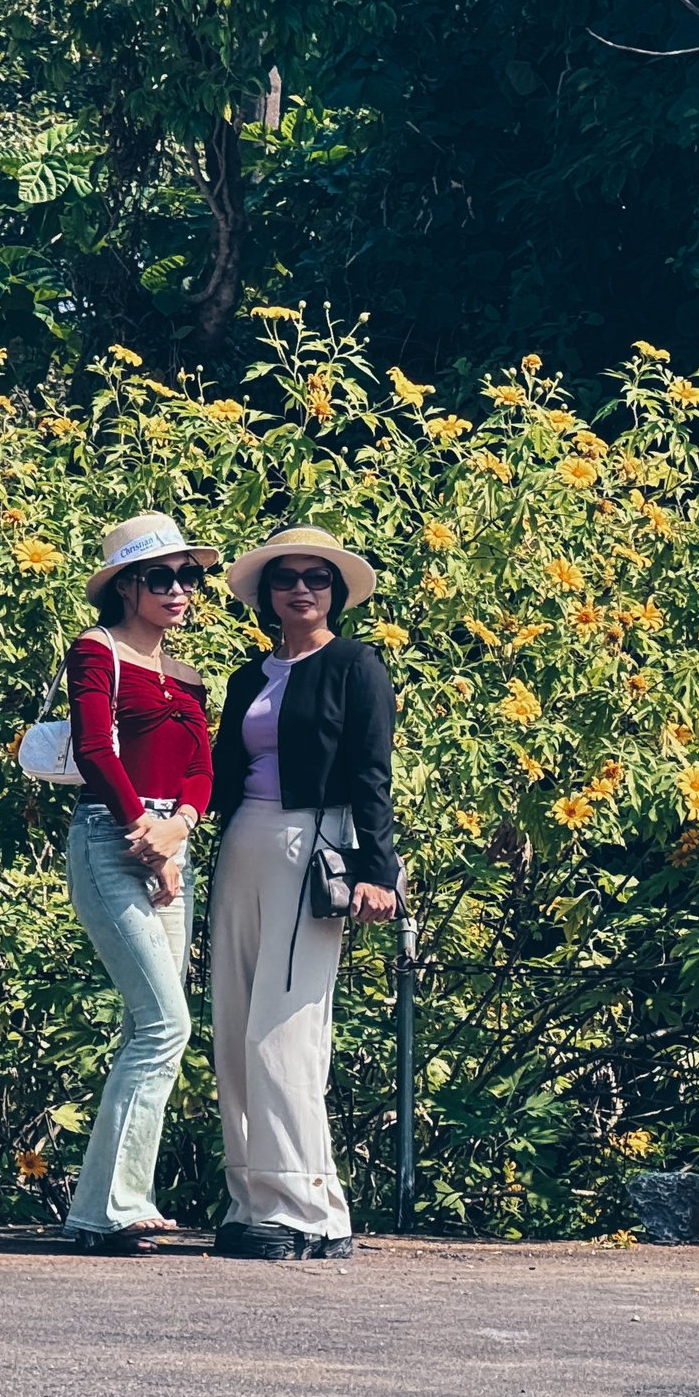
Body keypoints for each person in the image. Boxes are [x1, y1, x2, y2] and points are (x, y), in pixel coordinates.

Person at [204, 526, 402, 1261]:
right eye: (285, 578)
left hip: (313, 845)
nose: (301, 589)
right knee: (234, 1025)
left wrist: (377, 872)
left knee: (285, 1030)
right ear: (266, 595)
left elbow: (372, 774)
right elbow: (218, 773)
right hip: (242, 844)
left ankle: (309, 1208)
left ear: (335, 592)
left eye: (317, 578)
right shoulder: (246, 678)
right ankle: (251, 1199)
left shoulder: (356, 666)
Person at [59, 511, 220, 1256]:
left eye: (191, 575)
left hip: (170, 841)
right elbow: (95, 748)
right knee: (165, 1024)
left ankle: (99, 1208)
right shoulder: (98, 651)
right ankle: (120, 1201)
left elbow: (202, 768)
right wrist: (144, 836)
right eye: (163, 576)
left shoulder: (187, 676)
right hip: (110, 834)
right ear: (127, 585)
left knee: (148, 1026)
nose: (181, 589)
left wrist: (179, 830)